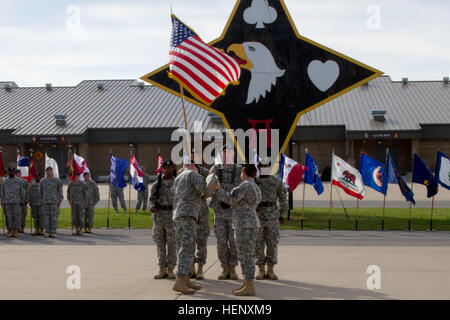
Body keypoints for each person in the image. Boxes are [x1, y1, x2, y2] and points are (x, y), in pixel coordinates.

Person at [215, 164, 262, 296]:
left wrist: (217, 189)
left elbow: (230, 198)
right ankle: (247, 283)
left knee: (245, 255)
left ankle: (250, 285)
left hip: (244, 224)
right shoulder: (256, 186)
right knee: (248, 254)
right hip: (251, 223)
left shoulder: (245, 186)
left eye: (242, 173)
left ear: (244, 172)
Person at [172, 161, 217, 295]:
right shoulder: (194, 175)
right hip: (188, 215)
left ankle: (185, 279)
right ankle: (180, 281)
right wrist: (211, 177)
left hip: (180, 215)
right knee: (187, 248)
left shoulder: (179, 177)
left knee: (186, 247)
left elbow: (174, 193)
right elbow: (205, 191)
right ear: (195, 168)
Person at [209, 145, 241, 280]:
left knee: (233, 241)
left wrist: (220, 189)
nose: (226, 154)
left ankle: (233, 268)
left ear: (233, 154)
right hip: (219, 211)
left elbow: (238, 188)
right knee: (221, 241)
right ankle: (224, 268)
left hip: (234, 211)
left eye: (228, 152)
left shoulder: (239, 169)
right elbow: (210, 185)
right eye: (223, 152)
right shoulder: (215, 169)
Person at [255, 161, 288, 280]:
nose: (264, 168)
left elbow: (283, 198)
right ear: (259, 167)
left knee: (272, 244)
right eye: (262, 166)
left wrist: (283, 214)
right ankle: (261, 270)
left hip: (272, 216)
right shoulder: (254, 181)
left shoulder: (276, 181)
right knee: (258, 244)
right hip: (257, 216)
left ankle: (270, 270)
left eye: (267, 166)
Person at [149, 160, 177, 280]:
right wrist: (151, 206)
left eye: (169, 168)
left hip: (171, 216)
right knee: (160, 244)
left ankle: (170, 269)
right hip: (159, 216)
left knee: (171, 244)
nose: (167, 170)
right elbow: (151, 198)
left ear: (173, 169)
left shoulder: (177, 182)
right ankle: (162, 269)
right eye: (165, 168)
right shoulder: (157, 184)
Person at [190, 151, 210, 280]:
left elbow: (212, 187)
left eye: (195, 155)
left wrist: (205, 194)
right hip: (189, 211)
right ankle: (191, 269)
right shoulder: (183, 172)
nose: (193, 158)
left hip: (201, 211)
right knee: (188, 241)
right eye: (190, 156)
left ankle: (200, 269)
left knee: (201, 241)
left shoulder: (205, 172)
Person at [1, 167, 26, 238]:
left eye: (12, 171)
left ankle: (16, 231)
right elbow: (2, 192)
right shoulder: (5, 181)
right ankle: (11, 231)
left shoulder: (19, 181)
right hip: (7, 202)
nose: (11, 172)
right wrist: (2, 200)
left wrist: (22, 200)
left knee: (17, 216)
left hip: (17, 202)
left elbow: (22, 191)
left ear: (14, 172)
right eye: (10, 171)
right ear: (8, 172)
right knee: (9, 217)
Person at [40, 167, 63, 238]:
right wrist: (41, 201)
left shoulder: (57, 180)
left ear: (52, 171)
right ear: (46, 172)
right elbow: (40, 192)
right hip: (45, 202)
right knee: (46, 218)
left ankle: (53, 232)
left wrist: (59, 201)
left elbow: (60, 192)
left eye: (50, 171)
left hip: (54, 202)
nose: (49, 172)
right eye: (47, 171)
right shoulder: (42, 180)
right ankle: (47, 231)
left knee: (54, 218)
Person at [15, 169, 29, 233]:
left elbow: (28, 191)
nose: (18, 174)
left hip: (24, 202)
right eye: (17, 173)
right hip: (16, 202)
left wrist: (27, 200)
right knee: (16, 215)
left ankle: (22, 228)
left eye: (19, 173)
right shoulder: (13, 181)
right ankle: (17, 228)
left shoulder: (25, 181)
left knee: (23, 215)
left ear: (21, 174)